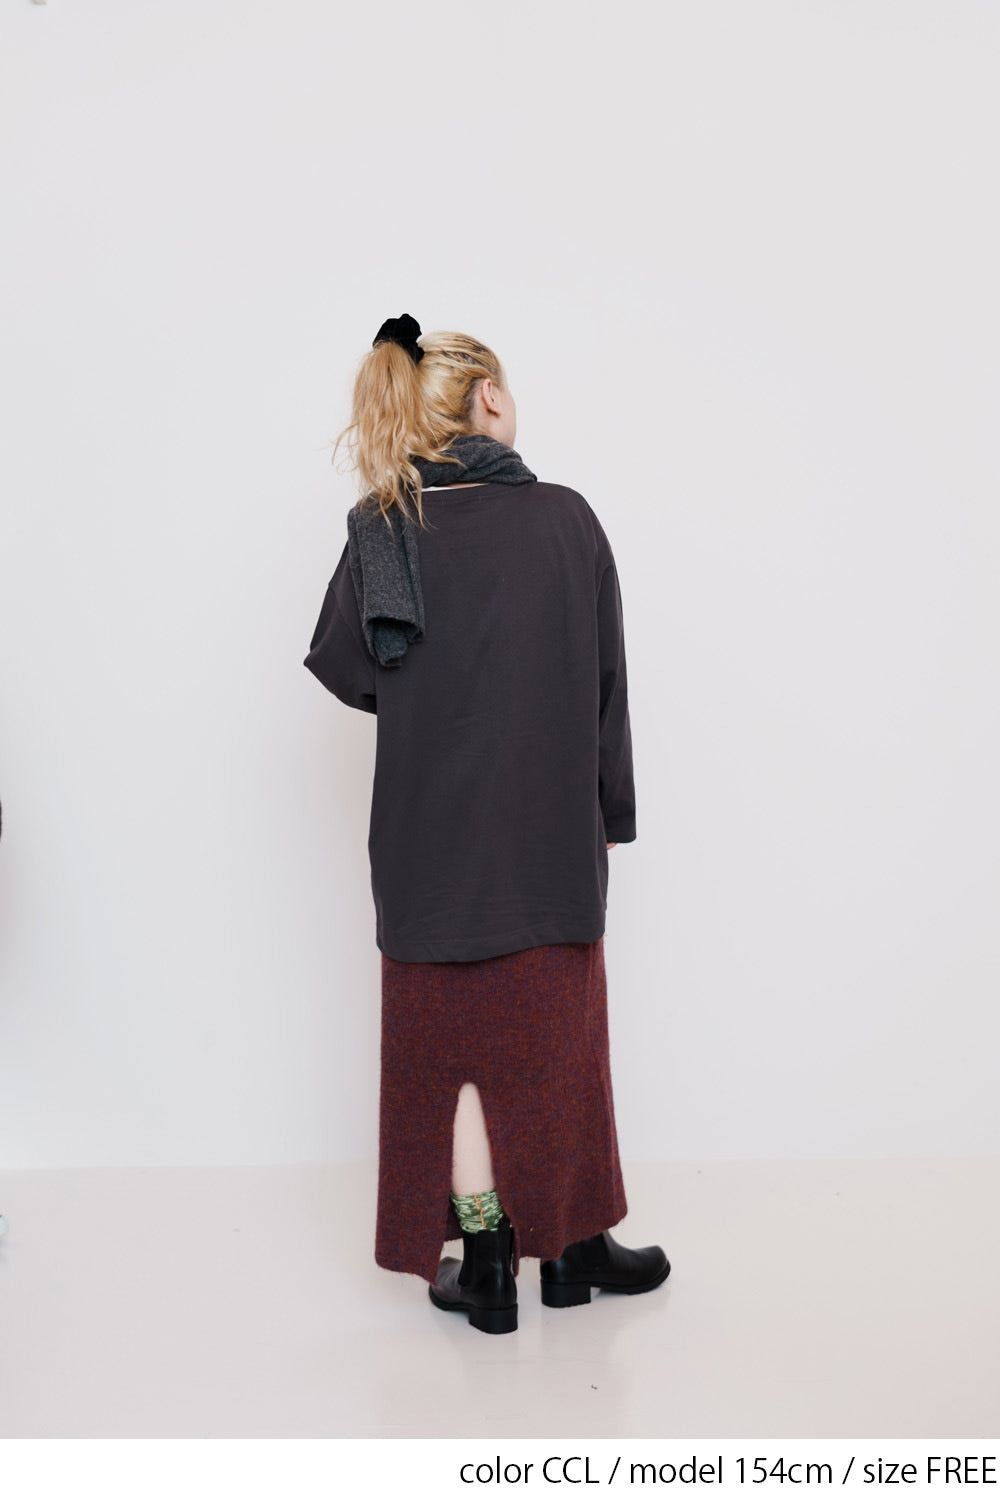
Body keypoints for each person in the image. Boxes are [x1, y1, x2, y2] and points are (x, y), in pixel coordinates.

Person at [303, 314, 669, 1334]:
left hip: (426, 847)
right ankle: (575, 1248)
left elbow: (352, 672)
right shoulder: (566, 519)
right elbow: (605, 687)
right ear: (490, 400)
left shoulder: (382, 525)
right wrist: (612, 814)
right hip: (549, 836)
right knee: (559, 1039)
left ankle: (489, 1260)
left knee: (451, 1054)